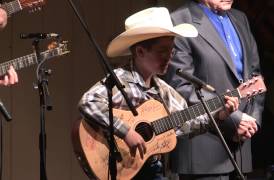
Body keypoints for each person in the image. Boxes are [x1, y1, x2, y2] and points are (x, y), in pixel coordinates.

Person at [78, 7, 240, 180]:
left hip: (153, 169)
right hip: (121, 164)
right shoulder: (121, 81)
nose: (168, 57)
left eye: (171, 51)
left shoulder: (165, 91)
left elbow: (185, 124)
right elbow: (88, 101)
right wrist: (126, 131)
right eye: (162, 51)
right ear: (140, 51)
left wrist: (220, 115)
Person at [163, 0, 265, 179]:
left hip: (241, 147)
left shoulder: (240, 18)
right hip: (204, 151)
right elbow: (180, 88)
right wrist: (233, 120)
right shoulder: (179, 20)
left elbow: (255, 76)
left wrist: (253, 121)